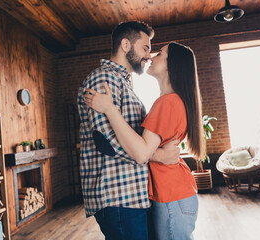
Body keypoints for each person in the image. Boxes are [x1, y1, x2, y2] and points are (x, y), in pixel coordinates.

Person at [85, 42, 205, 240]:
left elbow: (141, 152)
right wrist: (162, 155)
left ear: (170, 65)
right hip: (175, 194)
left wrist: (109, 109)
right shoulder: (172, 100)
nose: (151, 57)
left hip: (172, 196)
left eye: (159, 54)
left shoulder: (167, 102)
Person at [77, 21, 180, 240]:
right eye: (145, 47)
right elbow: (106, 141)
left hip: (132, 195)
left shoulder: (123, 83)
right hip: (117, 196)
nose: (149, 55)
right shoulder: (103, 79)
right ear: (125, 45)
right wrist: (158, 155)